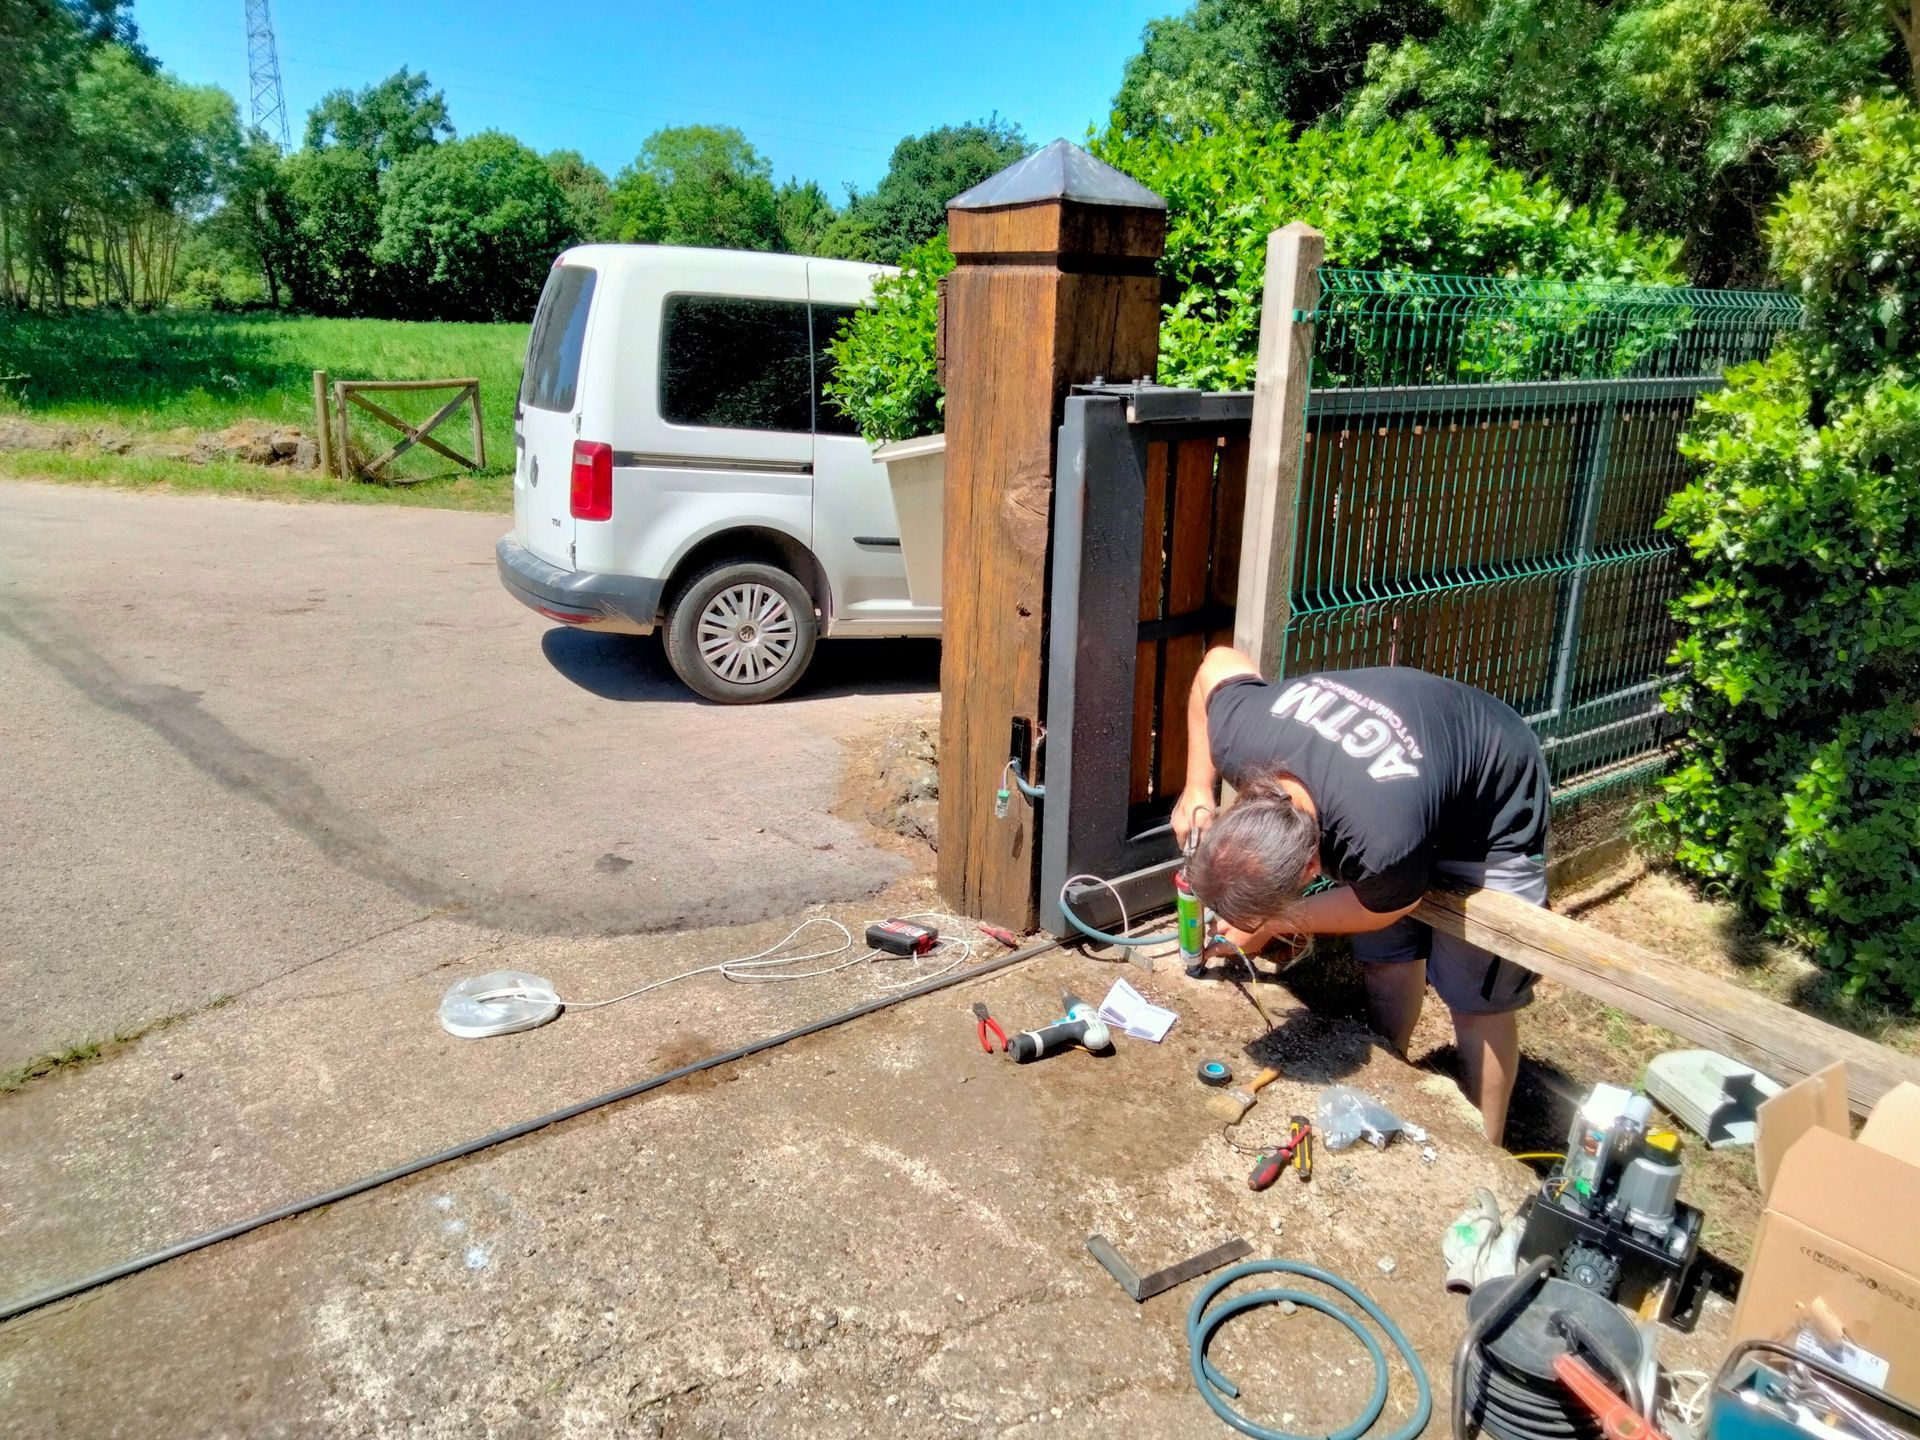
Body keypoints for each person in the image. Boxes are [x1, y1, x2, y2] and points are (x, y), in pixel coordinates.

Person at [1170, 646, 1551, 1144]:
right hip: (1411, 771)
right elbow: (1217, 662)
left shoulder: (1380, 845)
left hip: (1490, 792)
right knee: (1387, 957)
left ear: (1312, 865)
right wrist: (1197, 789)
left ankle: (1485, 1147)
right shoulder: (1243, 737)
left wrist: (1275, 923)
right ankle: (1394, 1068)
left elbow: (1385, 906)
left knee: (1476, 995)